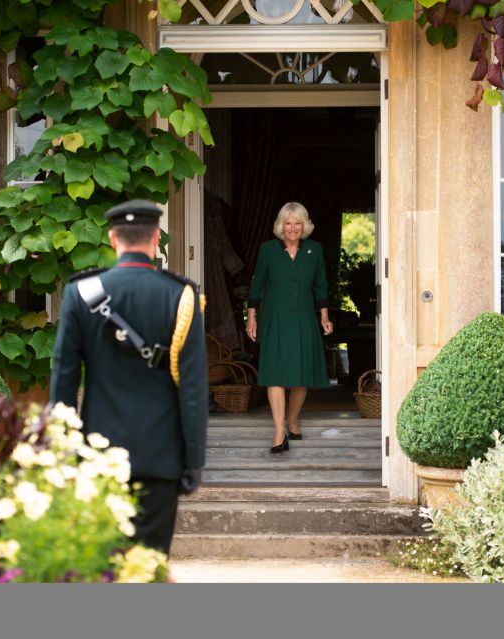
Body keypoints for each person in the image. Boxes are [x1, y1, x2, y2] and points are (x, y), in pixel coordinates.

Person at [50, 199, 208, 556]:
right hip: (161, 455)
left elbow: (62, 383)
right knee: (149, 564)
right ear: (155, 238)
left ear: (111, 239)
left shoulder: (79, 293)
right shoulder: (181, 295)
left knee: (104, 565)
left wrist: (63, 454)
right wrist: (193, 457)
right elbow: (194, 388)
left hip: (98, 456)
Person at [245, 202, 333, 454]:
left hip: (305, 317)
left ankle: (292, 420)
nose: (293, 228)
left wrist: (324, 316)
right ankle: (278, 432)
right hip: (274, 317)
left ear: (304, 226)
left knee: (300, 374)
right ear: (280, 226)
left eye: (298, 223)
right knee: (274, 372)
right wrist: (251, 317)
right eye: (288, 223)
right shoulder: (268, 250)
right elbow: (256, 285)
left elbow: (320, 286)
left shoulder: (314, 250)